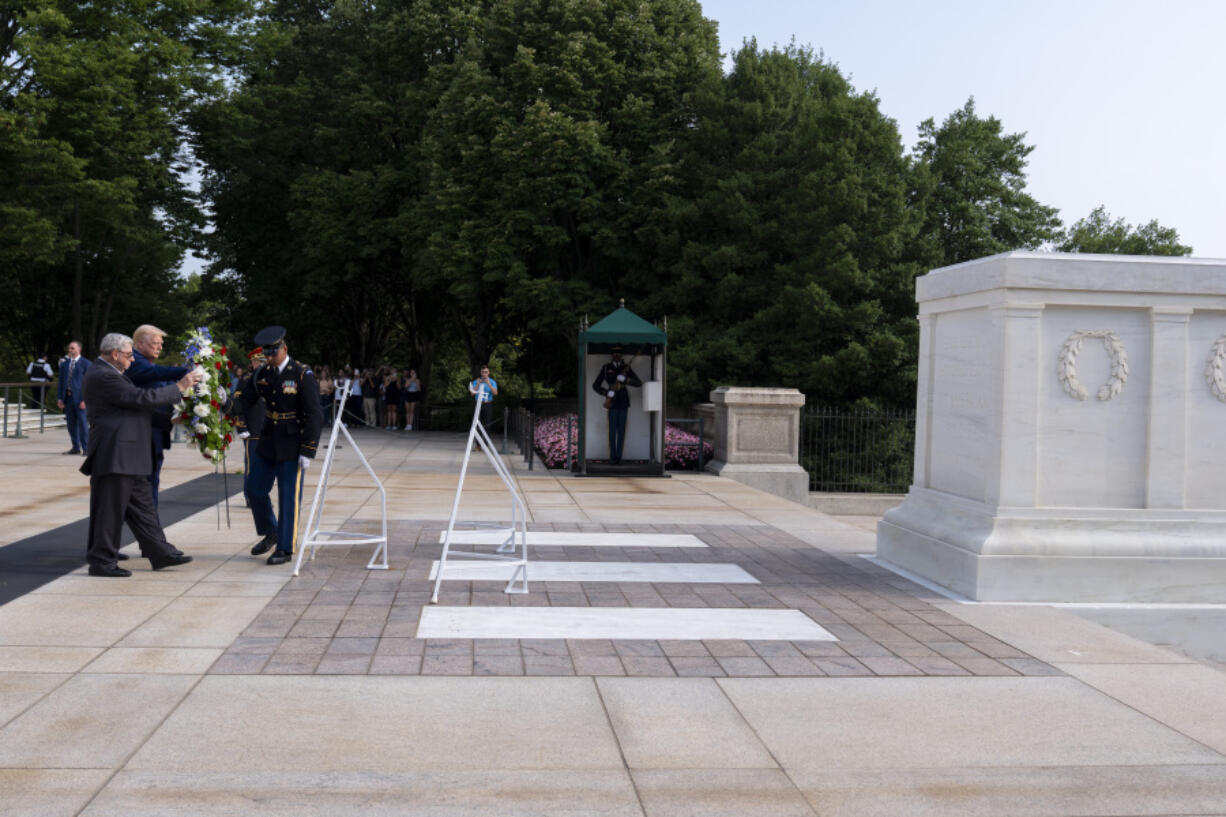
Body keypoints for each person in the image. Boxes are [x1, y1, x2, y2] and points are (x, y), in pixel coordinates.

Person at [80, 332, 201, 577]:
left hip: (127, 453)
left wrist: (173, 417)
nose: (132, 360)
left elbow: (132, 408)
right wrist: (179, 387)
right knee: (110, 511)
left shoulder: (111, 373)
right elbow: (139, 398)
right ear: (115, 354)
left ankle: (159, 551)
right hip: (115, 453)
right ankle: (102, 561)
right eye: (128, 355)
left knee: (144, 507)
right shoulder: (103, 375)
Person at [229, 326, 322, 565]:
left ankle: (285, 547)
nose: (269, 358)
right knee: (254, 489)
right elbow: (245, 403)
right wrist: (224, 402)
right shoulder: (262, 374)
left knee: (288, 496)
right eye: (267, 354)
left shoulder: (302, 374)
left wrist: (309, 449)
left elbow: (314, 414)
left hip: (293, 441)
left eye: (273, 353)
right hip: (268, 437)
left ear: (284, 349)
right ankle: (271, 531)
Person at [125, 325, 193, 509]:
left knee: (150, 479)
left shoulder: (147, 362)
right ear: (139, 344)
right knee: (147, 482)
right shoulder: (135, 361)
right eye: (155, 343)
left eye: (161, 344)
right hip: (144, 431)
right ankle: (150, 526)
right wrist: (185, 372)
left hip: (154, 430)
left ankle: (150, 525)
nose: (160, 347)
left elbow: (165, 386)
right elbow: (157, 375)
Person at [230, 348, 272, 547]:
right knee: (251, 466)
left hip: (267, 430)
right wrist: (242, 427)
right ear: (253, 362)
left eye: (264, 360)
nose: (261, 364)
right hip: (253, 430)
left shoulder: (272, 377)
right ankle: (249, 496)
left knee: (264, 467)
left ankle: (261, 495)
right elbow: (239, 406)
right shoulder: (246, 379)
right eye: (258, 361)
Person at [591, 345, 641, 464]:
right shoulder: (606, 368)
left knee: (622, 431)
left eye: (618, 355)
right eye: (614, 354)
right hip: (611, 402)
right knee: (612, 431)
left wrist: (626, 380)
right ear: (611, 356)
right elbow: (595, 385)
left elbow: (639, 383)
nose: (616, 356)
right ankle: (612, 457)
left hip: (623, 402)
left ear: (621, 356)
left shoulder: (626, 368)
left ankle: (619, 457)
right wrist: (606, 392)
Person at [57, 341, 90, 455]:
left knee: (82, 423)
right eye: (69, 348)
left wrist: (85, 399)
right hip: (68, 398)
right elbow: (61, 382)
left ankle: (86, 448)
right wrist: (60, 398)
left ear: (79, 349)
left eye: (72, 348)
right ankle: (75, 447)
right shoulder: (64, 364)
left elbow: (90, 383)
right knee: (71, 424)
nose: (70, 350)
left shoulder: (86, 364)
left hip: (81, 399)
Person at [469, 365, 498, 434]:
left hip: (488, 404)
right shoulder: (476, 381)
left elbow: (495, 393)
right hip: (478, 403)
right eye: (483, 372)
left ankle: (485, 442)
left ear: (488, 373)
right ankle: (478, 444)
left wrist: (489, 384)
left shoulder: (492, 382)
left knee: (487, 423)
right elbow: (472, 394)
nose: (484, 374)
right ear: (480, 373)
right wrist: (478, 384)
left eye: (486, 372)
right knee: (477, 422)